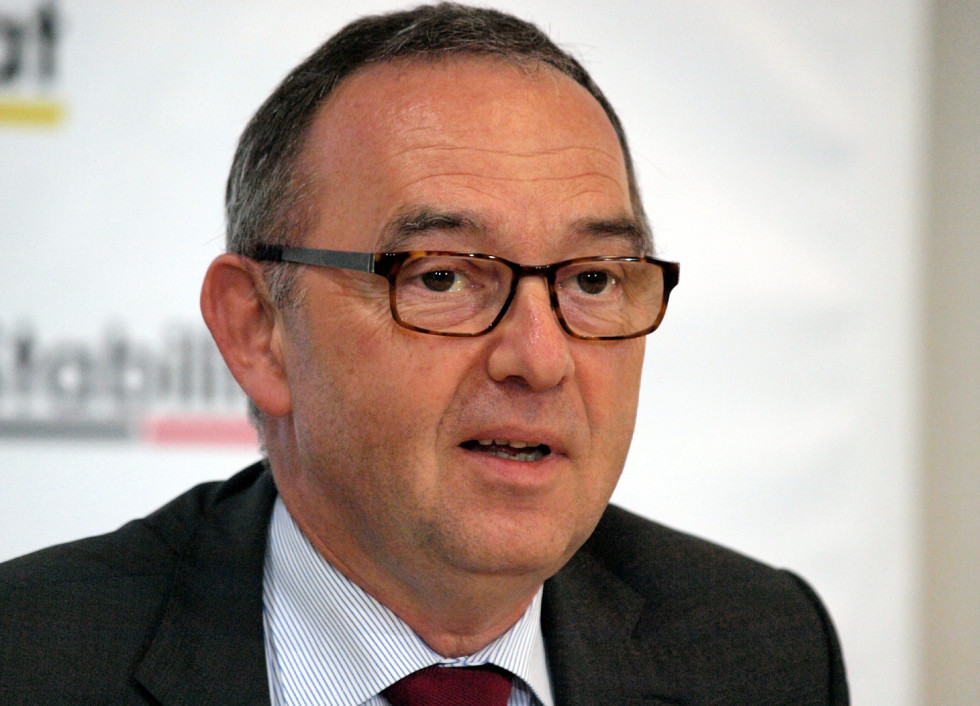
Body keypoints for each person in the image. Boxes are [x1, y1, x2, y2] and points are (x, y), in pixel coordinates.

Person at [0, 4, 848, 704]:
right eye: (441, 277)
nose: (540, 358)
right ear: (258, 330)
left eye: (592, 278)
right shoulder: (34, 661)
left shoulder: (760, 650)